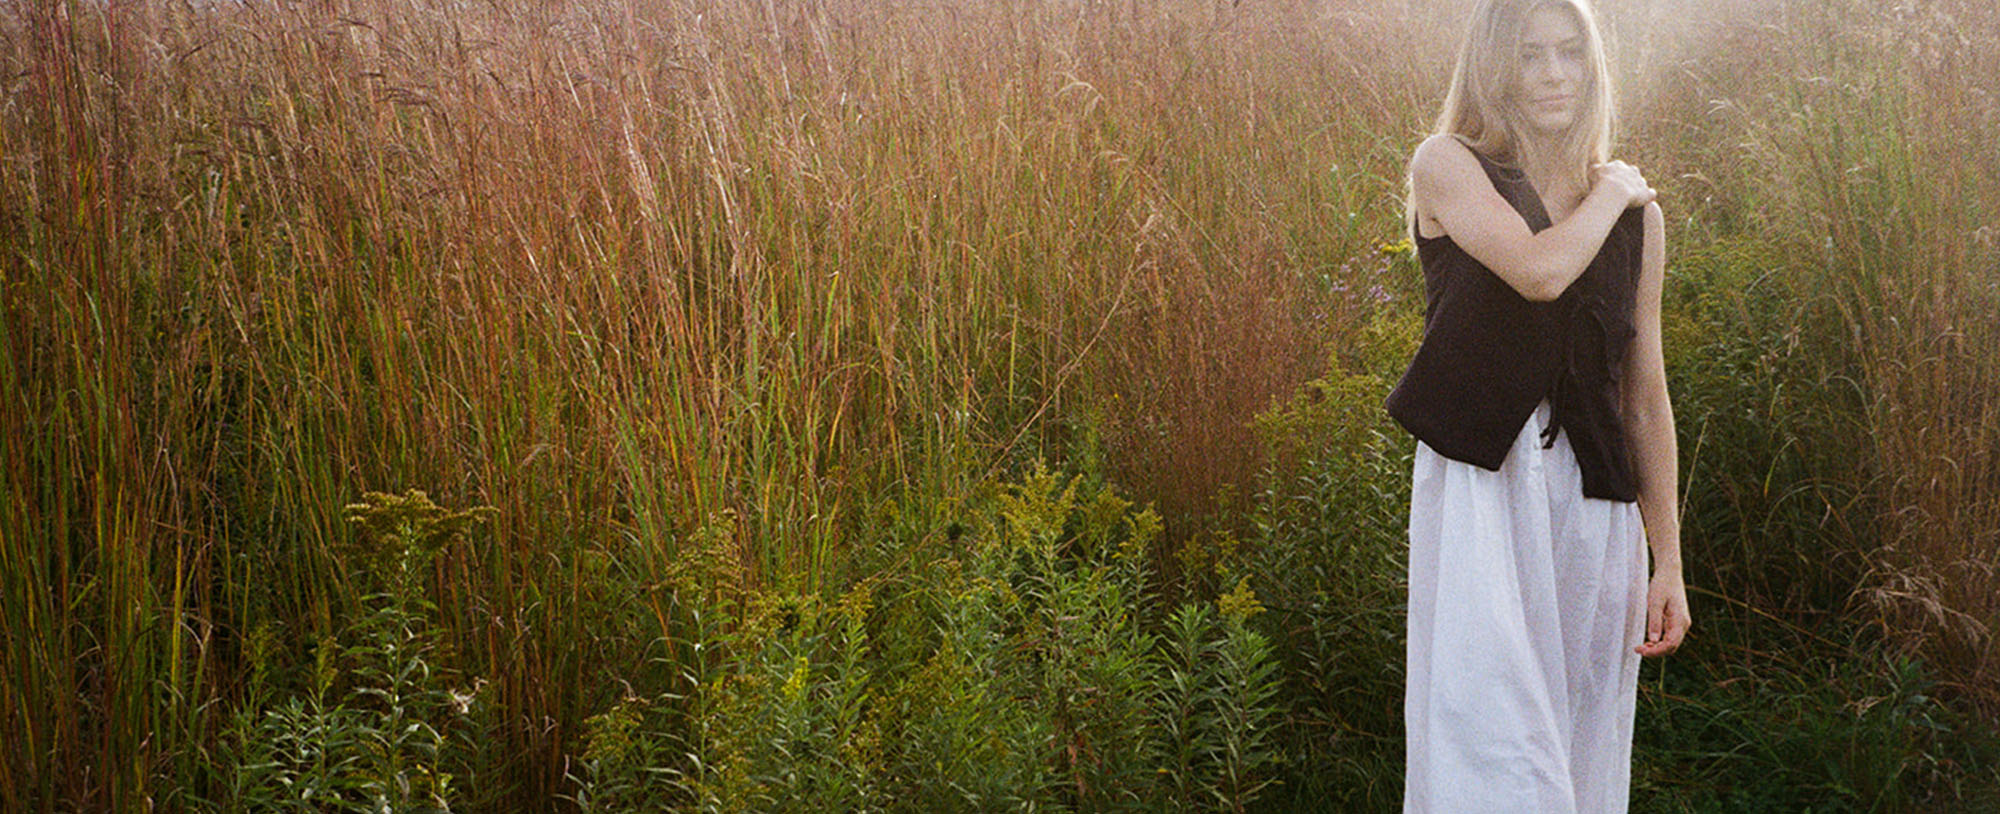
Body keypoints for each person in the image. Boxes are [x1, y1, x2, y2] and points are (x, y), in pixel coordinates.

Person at [1382, 0, 1692, 811]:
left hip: (1594, 510)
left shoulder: (1638, 220)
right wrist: (1613, 188)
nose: (1555, 73)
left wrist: (1669, 562)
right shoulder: (1447, 164)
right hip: (1484, 494)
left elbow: (1646, 399)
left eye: (1570, 53)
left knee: (1580, 758)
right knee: (1491, 751)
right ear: (1494, 66)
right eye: (1530, 55)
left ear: (1593, 66)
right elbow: (1538, 272)